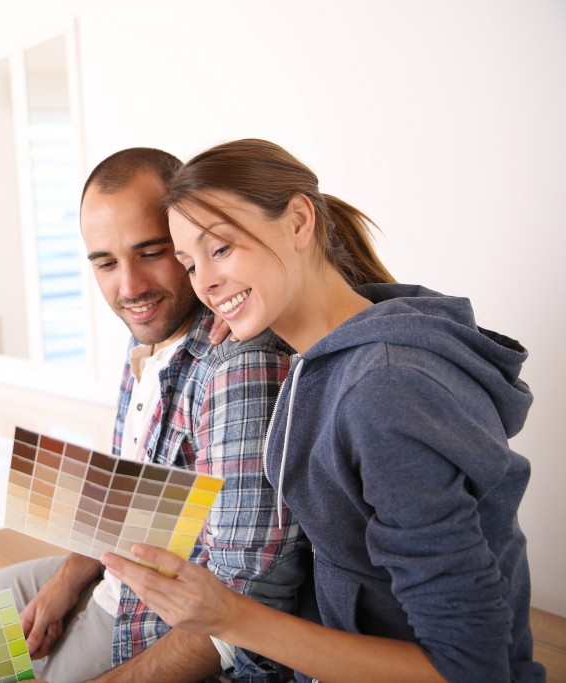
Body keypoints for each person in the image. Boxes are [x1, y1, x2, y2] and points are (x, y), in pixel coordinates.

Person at [101, 138, 546, 682]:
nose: (206, 285)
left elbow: (471, 670)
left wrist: (229, 616)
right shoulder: (323, 357)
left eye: (221, 249)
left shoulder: (385, 391)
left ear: (298, 222)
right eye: (190, 265)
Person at [0, 147, 308, 682]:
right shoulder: (144, 340)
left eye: (151, 252)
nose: (129, 288)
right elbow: (132, 499)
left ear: (184, 240)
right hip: (111, 579)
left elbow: (247, 608)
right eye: (105, 263)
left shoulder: (236, 365)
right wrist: (67, 581)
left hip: (149, 628)